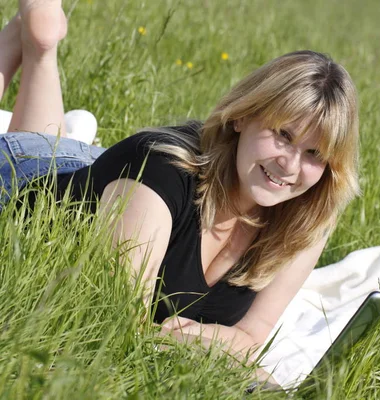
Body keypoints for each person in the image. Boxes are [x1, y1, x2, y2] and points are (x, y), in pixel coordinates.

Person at [0, 0, 360, 369]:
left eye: (315, 153)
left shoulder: (308, 214)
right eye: (283, 134)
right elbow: (117, 322)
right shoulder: (157, 172)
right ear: (241, 117)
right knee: (38, 150)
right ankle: (38, 38)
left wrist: (197, 343)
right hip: (19, 185)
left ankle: (39, 44)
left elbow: (253, 339)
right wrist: (206, 343)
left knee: (53, 142)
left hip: (100, 180)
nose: (291, 165)